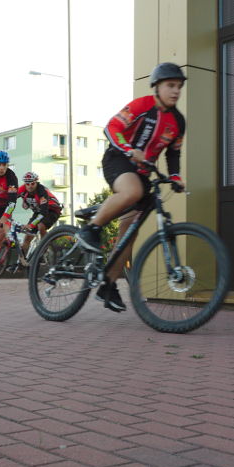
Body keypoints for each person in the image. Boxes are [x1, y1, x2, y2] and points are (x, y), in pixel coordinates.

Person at [76, 62, 187, 312]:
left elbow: (173, 153)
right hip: (118, 159)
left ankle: (108, 284)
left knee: (129, 232)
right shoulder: (141, 106)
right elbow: (111, 127)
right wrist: (128, 149)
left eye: (179, 87)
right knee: (133, 191)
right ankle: (91, 230)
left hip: (143, 172)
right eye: (170, 85)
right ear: (157, 87)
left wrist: (175, 176)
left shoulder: (178, 121)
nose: (176, 91)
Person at [17, 171, 62, 256]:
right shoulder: (22, 189)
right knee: (27, 237)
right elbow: (9, 199)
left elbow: (43, 212)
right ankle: (21, 262)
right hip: (38, 211)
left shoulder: (42, 191)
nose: (30, 186)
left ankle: (44, 249)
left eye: (32, 183)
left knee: (41, 226)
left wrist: (31, 225)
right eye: (27, 184)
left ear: (36, 182)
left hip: (51, 210)